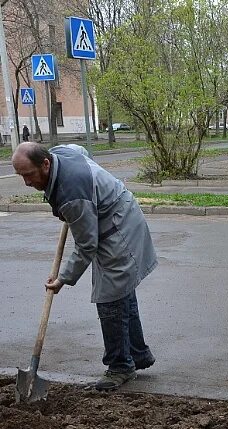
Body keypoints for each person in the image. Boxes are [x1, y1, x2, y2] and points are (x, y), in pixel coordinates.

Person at [11, 142, 158, 391]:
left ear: (45, 164)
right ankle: (137, 354)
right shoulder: (60, 153)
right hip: (120, 217)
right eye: (21, 176)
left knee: (110, 298)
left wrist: (63, 279)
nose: (26, 182)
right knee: (122, 293)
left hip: (118, 230)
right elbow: (80, 150)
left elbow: (87, 245)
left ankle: (121, 366)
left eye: (29, 174)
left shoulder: (72, 195)